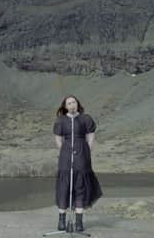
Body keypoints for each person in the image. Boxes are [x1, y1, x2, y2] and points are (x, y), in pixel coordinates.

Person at [53, 95, 102, 232]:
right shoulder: (61, 121)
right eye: (69, 103)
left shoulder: (86, 119)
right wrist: (64, 150)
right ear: (65, 106)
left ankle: (79, 222)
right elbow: (58, 139)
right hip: (66, 154)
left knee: (80, 185)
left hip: (82, 154)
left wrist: (87, 148)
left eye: (73, 102)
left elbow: (91, 136)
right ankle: (62, 221)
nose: (72, 105)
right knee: (64, 186)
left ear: (77, 104)